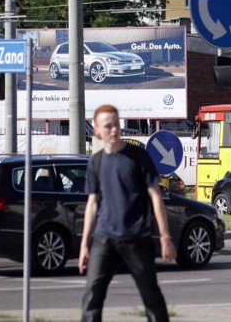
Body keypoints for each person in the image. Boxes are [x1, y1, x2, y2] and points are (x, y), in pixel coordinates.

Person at [78, 104, 176, 322]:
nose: (114, 130)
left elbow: (155, 196)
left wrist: (165, 237)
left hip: (136, 238)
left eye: (117, 124)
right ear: (97, 131)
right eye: (108, 126)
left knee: (151, 296)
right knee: (92, 297)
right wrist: (85, 244)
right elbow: (92, 204)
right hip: (104, 240)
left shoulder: (138, 158)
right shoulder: (96, 162)